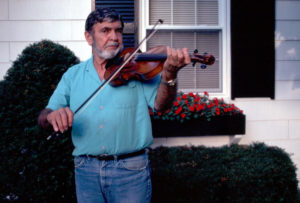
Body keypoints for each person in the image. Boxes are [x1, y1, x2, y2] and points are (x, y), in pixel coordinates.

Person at [38, 7, 190, 203]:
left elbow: (161, 105)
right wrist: (51, 116)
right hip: (86, 170)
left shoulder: (137, 69)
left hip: (130, 170)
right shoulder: (72, 75)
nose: (115, 37)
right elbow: (45, 115)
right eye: (105, 30)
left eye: (118, 31)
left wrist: (169, 75)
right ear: (89, 37)